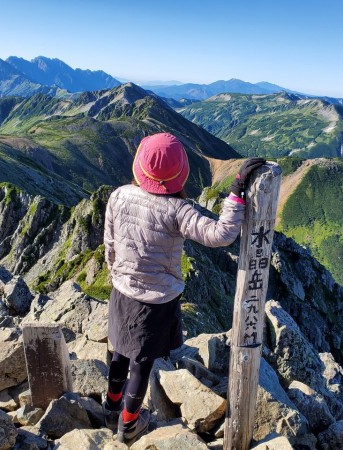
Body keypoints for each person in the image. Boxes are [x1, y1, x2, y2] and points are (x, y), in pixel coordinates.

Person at [102, 132, 265, 445]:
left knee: (120, 351)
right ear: (180, 175)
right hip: (155, 301)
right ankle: (129, 424)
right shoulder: (178, 211)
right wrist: (236, 194)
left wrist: (117, 274)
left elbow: (110, 242)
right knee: (142, 362)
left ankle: (110, 407)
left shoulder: (119, 195)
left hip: (121, 290)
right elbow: (220, 235)